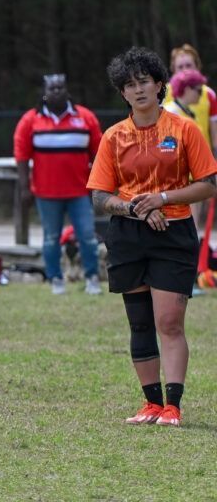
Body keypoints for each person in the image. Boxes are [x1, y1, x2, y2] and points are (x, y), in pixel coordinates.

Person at [88, 46, 217, 427]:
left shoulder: (184, 130)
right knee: (140, 323)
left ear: (160, 84)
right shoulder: (113, 137)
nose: (138, 89)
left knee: (170, 321)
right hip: (129, 233)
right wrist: (136, 208)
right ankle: (151, 404)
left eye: (144, 81)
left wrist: (162, 198)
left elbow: (208, 184)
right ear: (122, 93)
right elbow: (99, 196)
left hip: (174, 232)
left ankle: (173, 406)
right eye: (129, 85)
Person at [14, 73, 104, 295]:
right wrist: (25, 188)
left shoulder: (85, 118)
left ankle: (92, 277)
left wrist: (102, 183)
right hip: (46, 193)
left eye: (60, 88)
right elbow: (22, 156)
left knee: (87, 236)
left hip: (80, 191)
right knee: (51, 238)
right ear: (44, 92)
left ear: (67, 91)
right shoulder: (30, 120)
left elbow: (100, 152)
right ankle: (56, 279)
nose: (56, 92)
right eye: (52, 88)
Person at [163, 44, 217, 156]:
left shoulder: (209, 94)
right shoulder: (162, 93)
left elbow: (214, 133)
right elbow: (164, 143)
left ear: (197, 66)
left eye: (189, 65)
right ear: (173, 70)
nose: (185, 70)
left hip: (202, 162)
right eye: (180, 67)